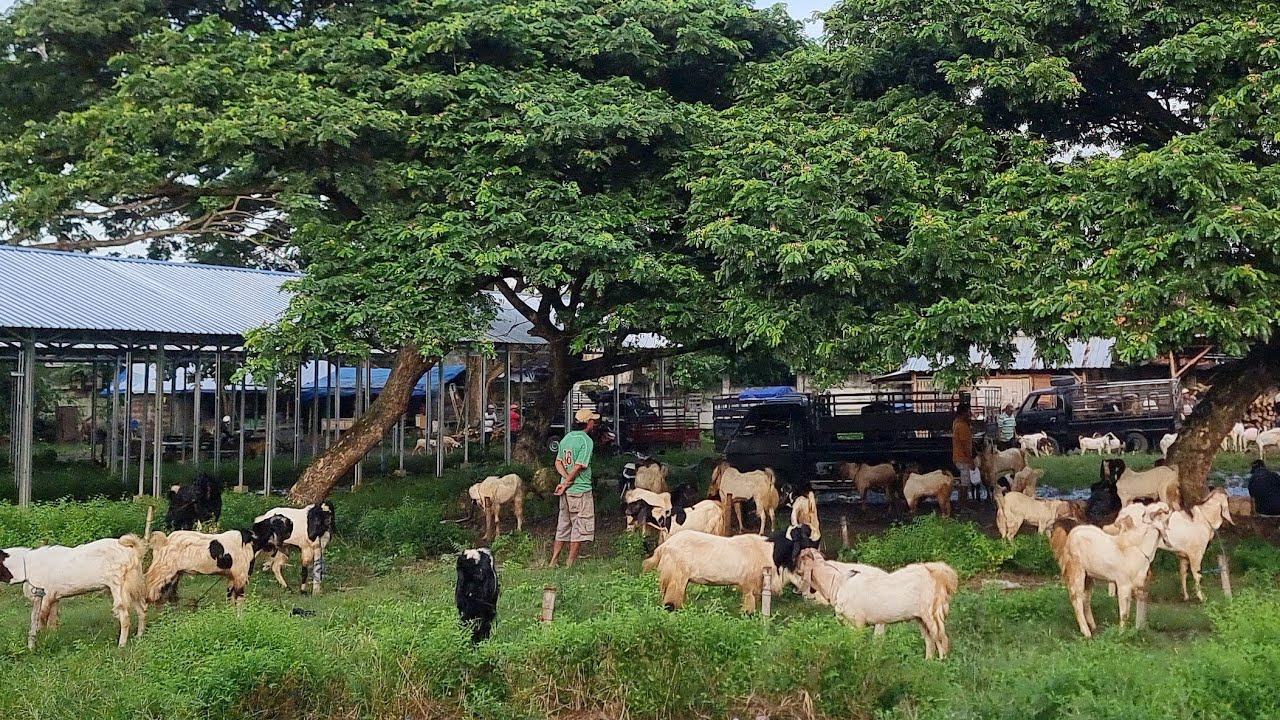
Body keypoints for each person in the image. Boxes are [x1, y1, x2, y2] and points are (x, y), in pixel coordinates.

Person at [550, 408, 599, 568]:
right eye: (593, 420)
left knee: (563, 524)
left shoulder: (566, 438)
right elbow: (579, 466)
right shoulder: (586, 441)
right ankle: (570, 563)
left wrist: (564, 480)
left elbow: (558, 462)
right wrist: (568, 481)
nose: (595, 423)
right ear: (587, 423)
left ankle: (554, 560)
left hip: (565, 490)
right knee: (580, 526)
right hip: (580, 489)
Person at [952, 402, 976, 494]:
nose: (970, 414)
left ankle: (963, 503)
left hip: (959, 457)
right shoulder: (962, 426)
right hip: (963, 458)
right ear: (963, 413)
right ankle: (963, 504)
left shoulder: (956, 423)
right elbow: (965, 445)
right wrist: (971, 460)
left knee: (964, 481)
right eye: (968, 412)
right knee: (965, 484)